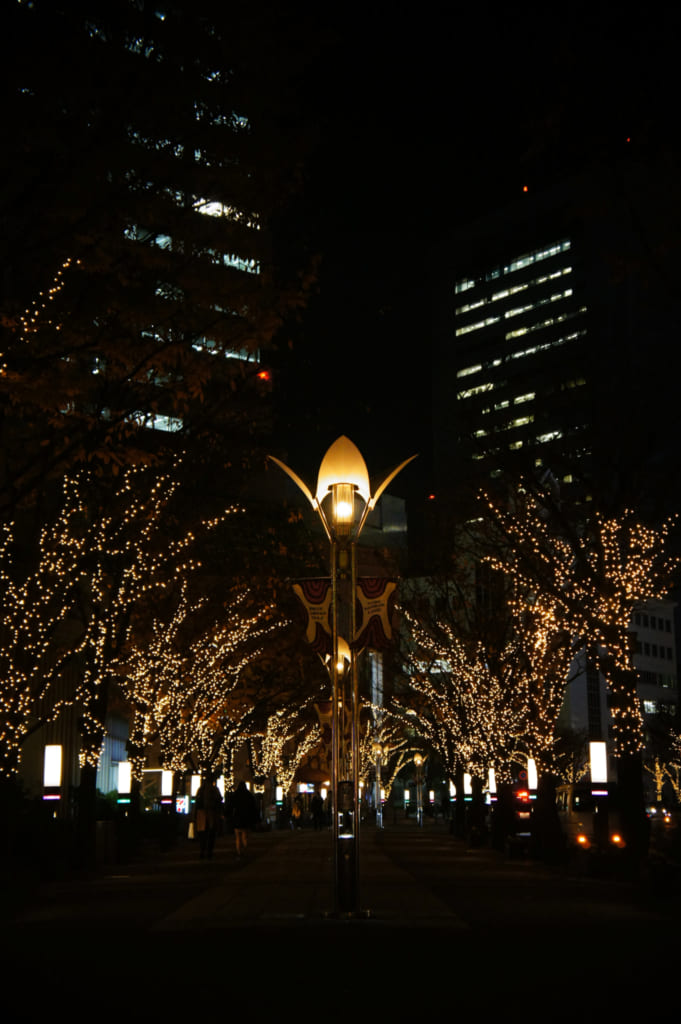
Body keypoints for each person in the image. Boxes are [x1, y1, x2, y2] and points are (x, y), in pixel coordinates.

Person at [194, 774, 223, 860]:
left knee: (202, 835)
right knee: (211, 834)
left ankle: (202, 851)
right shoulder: (214, 789)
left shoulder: (201, 789)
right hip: (211, 814)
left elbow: (196, 801)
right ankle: (209, 852)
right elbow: (219, 799)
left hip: (201, 814)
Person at [231, 780, 258, 858]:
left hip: (237, 817)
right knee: (245, 835)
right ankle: (245, 849)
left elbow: (231, 806)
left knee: (237, 836)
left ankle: (239, 851)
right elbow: (253, 808)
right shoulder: (249, 795)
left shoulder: (235, 795)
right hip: (246, 818)